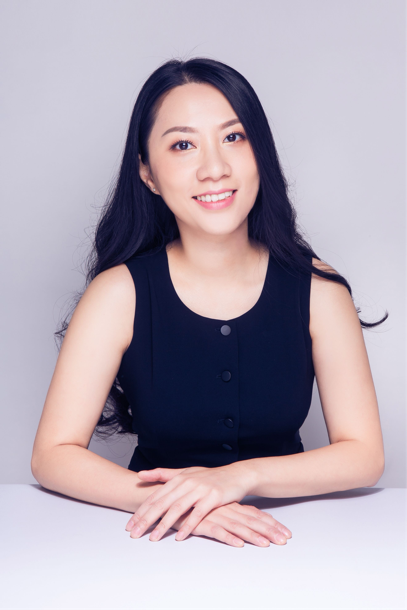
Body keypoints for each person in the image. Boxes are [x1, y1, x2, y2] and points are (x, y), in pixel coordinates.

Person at [31, 57, 387, 549]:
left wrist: (237, 478)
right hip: (151, 543)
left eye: (234, 137)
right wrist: (184, 506)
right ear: (148, 173)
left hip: (295, 541)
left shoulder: (319, 289)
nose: (214, 168)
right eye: (183, 145)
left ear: (261, 152)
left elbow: (365, 455)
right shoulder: (117, 294)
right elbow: (52, 454)